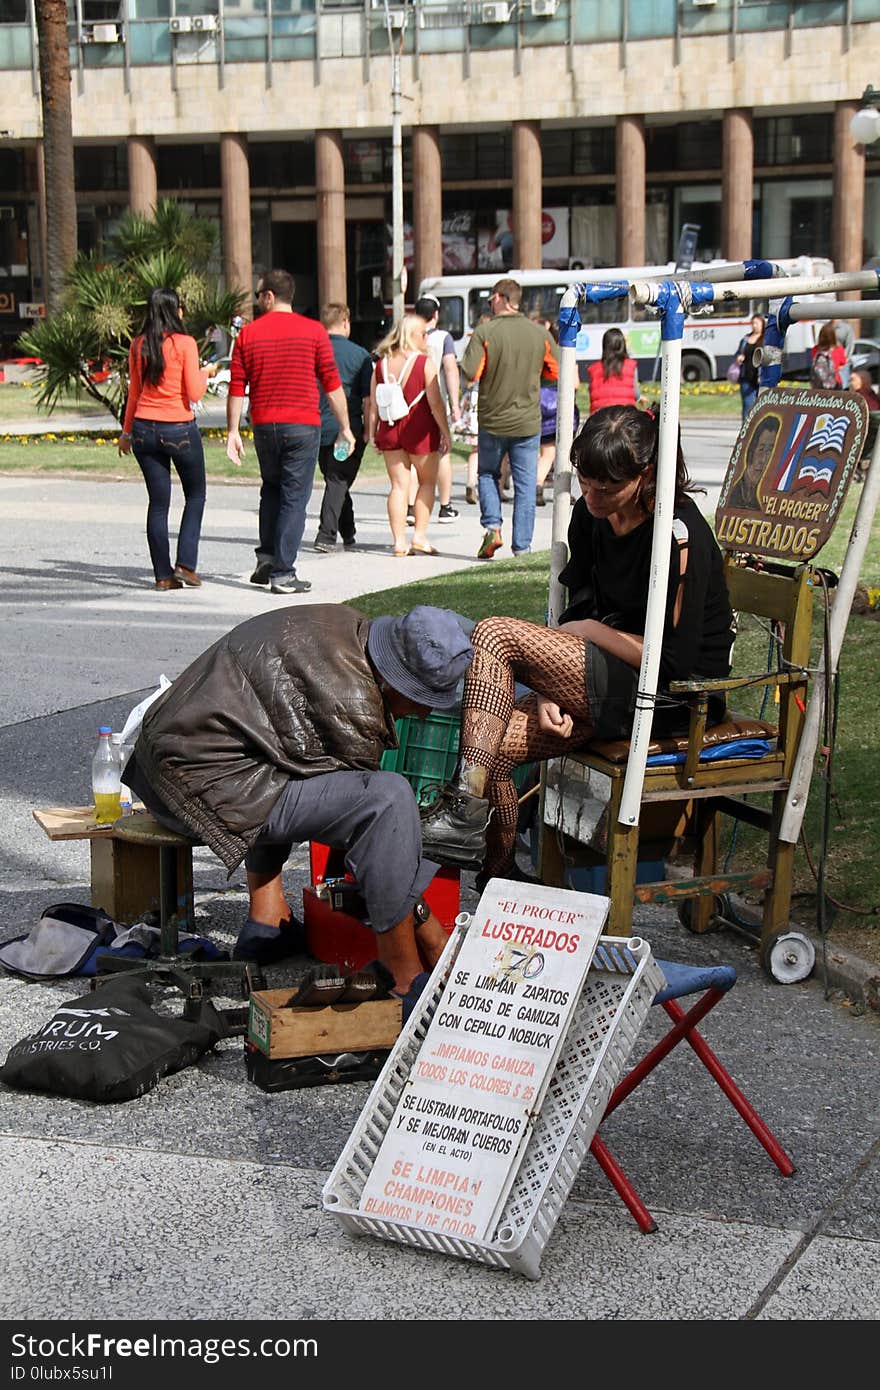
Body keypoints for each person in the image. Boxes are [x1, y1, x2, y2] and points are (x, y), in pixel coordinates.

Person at [419, 406, 734, 882]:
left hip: (667, 697)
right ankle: (499, 874)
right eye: (585, 485)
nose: (591, 497)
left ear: (645, 476)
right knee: (498, 746)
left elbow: (677, 659)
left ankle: (464, 808)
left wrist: (589, 632)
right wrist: (550, 689)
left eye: (606, 489)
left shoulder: (679, 533)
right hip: (596, 677)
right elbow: (575, 608)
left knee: (493, 632)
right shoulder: (591, 516)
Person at [125, 604, 474, 1018]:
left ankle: (267, 921)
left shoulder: (344, 626)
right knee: (388, 798)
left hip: (165, 764)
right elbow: (372, 845)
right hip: (194, 787)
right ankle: (403, 975)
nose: (424, 712)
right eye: (422, 699)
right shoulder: (354, 703)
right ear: (393, 678)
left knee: (290, 760)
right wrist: (432, 935)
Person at [225, 269, 355, 596]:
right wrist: (345, 427)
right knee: (294, 498)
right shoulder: (313, 332)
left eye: (258, 295)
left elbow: (236, 387)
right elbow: (332, 385)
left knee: (271, 488)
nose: (257, 301)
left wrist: (232, 431)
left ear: (269, 296)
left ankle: (266, 558)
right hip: (302, 425)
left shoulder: (248, 335)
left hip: (265, 425)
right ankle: (283, 573)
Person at [118, 286, 218, 592]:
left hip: (144, 430)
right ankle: (186, 564)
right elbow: (195, 392)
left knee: (158, 504)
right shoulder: (184, 343)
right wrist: (206, 373)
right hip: (178, 428)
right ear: (175, 311)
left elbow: (134, 393)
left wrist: (126, 432)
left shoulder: (139, 345)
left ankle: (163, 576)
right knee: (196, 495)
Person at [461, 277, 559, 561]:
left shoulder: (485, 332)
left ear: (501, 298)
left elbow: (471, 373)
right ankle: (522, 549)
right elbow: (555, 371)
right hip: (528, 421)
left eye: (491, 298)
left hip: (493, 421)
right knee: (526, 485)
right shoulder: (539, 333)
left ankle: (493, 527)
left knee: (488, 474)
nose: (490, 302)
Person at [368, 313, 451, 557]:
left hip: (390, 427)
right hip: (420, 428)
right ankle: (419, 536)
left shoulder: (382, 362)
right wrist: (445, 432)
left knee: (397, 486)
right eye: (424, 334)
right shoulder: (423, 362)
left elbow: (374, 404)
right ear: (413, 336)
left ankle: (398, 542)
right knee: (426, 482)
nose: (427, 338)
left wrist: (372, 433)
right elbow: (435, 403)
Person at [313, 303, 373, 553]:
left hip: (316, 428)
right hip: (347, 428)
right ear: (346, 322)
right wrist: (369, 430)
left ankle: (348, 531)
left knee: (335, 478)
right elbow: (368, 399)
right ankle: (326, 535)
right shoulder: (360, 356)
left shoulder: (312, 352)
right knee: (338, 479)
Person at [414, 294, 462, 522]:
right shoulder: (444, 338)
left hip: (409, 405)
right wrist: (455, 405)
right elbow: (450, 369)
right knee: (443, 452)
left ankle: (411, 507)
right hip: (436, 400)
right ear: (436, 314)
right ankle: (445, 505)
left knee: (413, 456)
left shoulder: (407, 337)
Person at [532, 315, 579, 506]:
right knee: (565, 451)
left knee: (547, 452)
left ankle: (538, 483)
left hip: (541, 404)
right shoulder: (566, 355)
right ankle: (563, 492)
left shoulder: (540, 354)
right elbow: (574, 384)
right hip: (561, 405)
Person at [727, 415, 780, 510]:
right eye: (761, 449)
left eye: (770, 451)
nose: (764, 459)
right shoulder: (739, 491)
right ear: (752, 449)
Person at [734, 314, 765, 418]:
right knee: (748, 406)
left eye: (757, 323)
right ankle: (746, 430)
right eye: (753, 323)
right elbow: (739, 352)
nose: (754, 325)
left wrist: (763, 375)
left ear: (762, 324)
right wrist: (739, 357)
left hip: (760, 378)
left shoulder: (766, 339)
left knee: (761, 407)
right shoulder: (746, 339)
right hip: (746, 376)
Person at [810, 322, 845, 389]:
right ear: (833, 336)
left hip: (818, 384)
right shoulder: (839, 349)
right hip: (835, 383)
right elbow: (843, 362)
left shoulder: (815, 350)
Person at [834, 318, 855, 389]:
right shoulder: (826, 325)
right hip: (829, 361)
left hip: (841, 362)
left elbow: (849, 345)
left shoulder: (846, 328)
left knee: (843, 387)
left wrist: (845, 361)